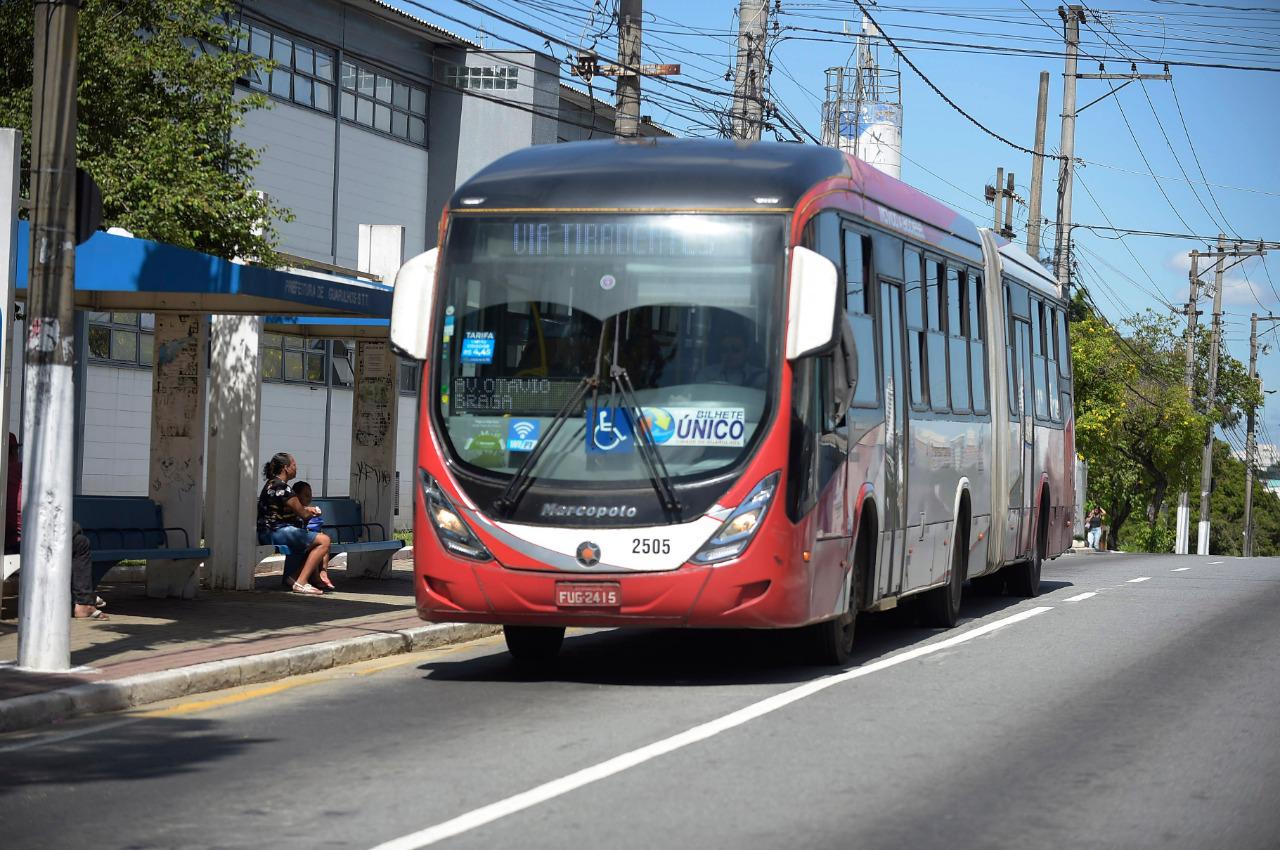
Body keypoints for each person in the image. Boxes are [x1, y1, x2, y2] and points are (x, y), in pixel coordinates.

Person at [256, 452, 331, 595]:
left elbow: (287, 509)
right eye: (294, 465)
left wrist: (305, 509)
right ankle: (301, 582)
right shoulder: (283, 488)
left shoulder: (271, 484)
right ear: (286, 468)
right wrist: (314, 511)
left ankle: (292, 578)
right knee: (323, 541)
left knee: (307, 542)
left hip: (267, 531)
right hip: (276, 532)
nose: (296, 468)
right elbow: (304, 515)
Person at [291, 481, 335, 592]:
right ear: (296, 496)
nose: (309, 498)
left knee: (322, 539)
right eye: (306, 495)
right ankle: (317, 576)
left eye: (310, 495)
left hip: (305, 536)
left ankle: (321, 573)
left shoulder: (308, 509)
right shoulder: (294, 507)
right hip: (295, 536)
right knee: (320, 541)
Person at [695, 332, 767, 388]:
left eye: (736, 349)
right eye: (725, 350)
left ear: (747, 352)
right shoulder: (706, 374)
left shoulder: (761, 377)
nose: (729, 354)